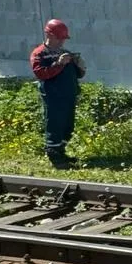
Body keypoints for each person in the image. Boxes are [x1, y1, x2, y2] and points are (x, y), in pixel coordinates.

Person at [30, 19, 86, 169]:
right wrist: (58, 63)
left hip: (69, 95)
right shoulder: (39, 54)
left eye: (63, 38)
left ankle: (61, 152)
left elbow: (78, 75)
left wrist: (80, 66)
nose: (62, 41)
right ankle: (54, 156)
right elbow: (40, 73)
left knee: (67, 126)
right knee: (55, 125)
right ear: (49, 35)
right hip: (53, 97)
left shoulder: (66, 53)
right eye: (59, 37)